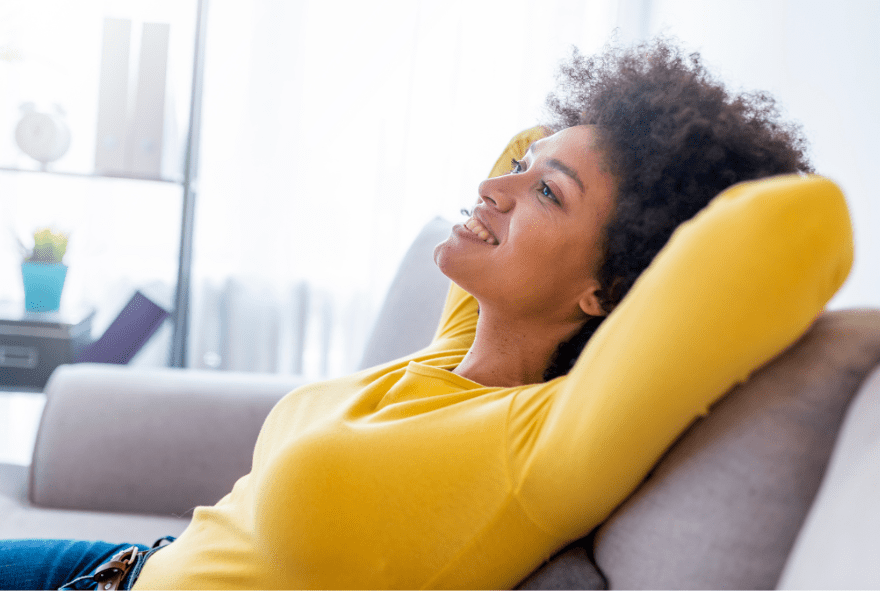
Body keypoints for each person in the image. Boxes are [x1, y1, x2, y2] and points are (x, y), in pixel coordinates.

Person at [0, 37, 852, 590]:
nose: (496, 186)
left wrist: (648, 199)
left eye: (544, 193)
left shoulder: (544, 444)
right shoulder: (459, 351)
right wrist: (577, 158)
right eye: (525, 165)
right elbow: (518, 140)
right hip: (114, 567)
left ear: (610, 291)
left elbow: (799, 224)